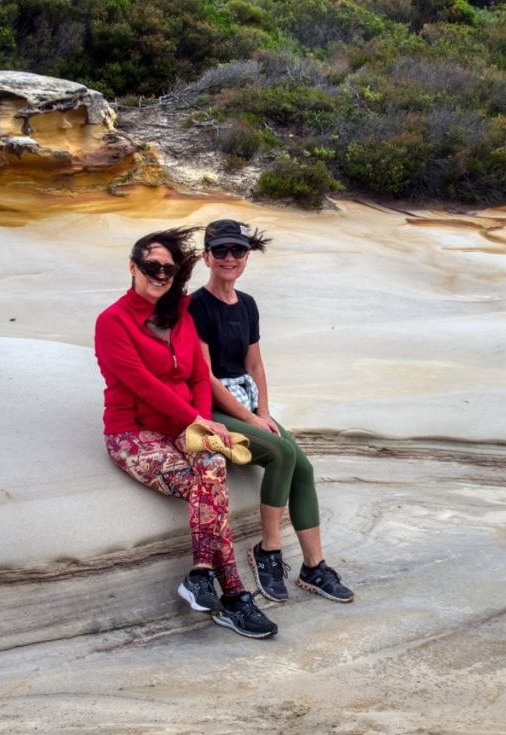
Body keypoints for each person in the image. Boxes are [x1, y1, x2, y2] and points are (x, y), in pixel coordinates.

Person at [94, 226, 278, 639]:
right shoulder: (112, 322)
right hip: (132, 432)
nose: (160, 275)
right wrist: (198, 420)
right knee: (204, 487)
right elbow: (143, 384)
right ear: (133, 267)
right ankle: (235, 595)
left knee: (212, 463)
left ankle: (201, 575)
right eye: (151, 266)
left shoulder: (180, 314)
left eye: (169, 269)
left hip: (181, 424)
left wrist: (201, 420)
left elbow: (197, 374)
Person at [188, 219, 354, 605]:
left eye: (238, 251)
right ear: (206, 257)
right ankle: (268, 551)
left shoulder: (247, 304)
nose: (230, 258)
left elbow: (255, 364)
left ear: (247, 257)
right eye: (221, 251)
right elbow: (205, 375)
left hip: (247, 401)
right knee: (280, 452)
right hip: (214, 407)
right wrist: (250, 420)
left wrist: (263, 410)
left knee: (304, 467)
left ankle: (313, 566)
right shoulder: (196, 306)